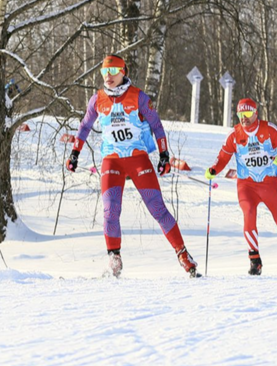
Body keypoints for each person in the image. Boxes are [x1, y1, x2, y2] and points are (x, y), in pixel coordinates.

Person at [65, 55, 200, 278]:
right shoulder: (97, 99)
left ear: (123, 72)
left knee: (158, 209)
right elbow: (84, 126)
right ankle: (114, 259)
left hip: (138, 160)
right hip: (112, 160)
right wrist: (74, 153)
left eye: (114, 71)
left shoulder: (138, 97)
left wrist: (164, 154)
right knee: (110, 211)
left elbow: (156, 126)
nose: (108, 76)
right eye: (104, 72)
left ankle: (183, 255)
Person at [204, 98, 277, 275]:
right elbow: (223, 158)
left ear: (256, 113)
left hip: (269, 183)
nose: (244, 118)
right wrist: (213, 169)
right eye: (241, 114)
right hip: (246, 185)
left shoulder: (269, 129)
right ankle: (255, 261)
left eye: (248, 114)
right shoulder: (234, 135)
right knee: (248, 213)